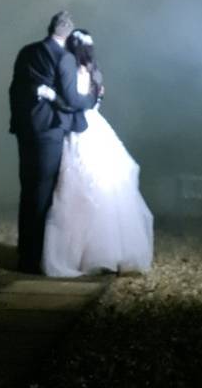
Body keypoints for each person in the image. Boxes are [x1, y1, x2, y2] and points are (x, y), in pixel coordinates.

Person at [41, 29, 154, 276]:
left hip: (80, 125)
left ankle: (81, 255)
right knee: (105, 185)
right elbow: (96, 99)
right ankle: (112, 250)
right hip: (96, 124)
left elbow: (71, 100)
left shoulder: (70, 68)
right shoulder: (95, 71)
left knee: (78, 185)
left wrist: (51, 96)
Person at [9, 12, 98, 274]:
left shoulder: (27, 51)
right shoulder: (64, 57)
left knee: (27, 190)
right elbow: (70, 99)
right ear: (68, 34)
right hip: (49, 129)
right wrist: (92, 99)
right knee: (43, 191)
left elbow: (15, 89)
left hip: (26, 127)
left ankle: (25, 252)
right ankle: (36, 258)